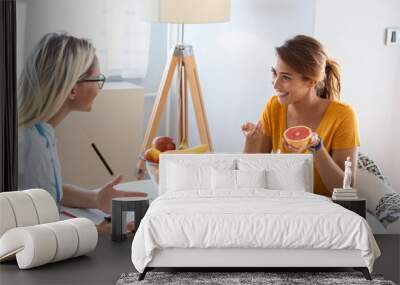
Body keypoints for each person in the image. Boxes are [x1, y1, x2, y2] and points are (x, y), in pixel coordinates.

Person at [18, 32, 147, 213]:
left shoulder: (41, 132)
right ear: (72, 89)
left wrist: (96, 198)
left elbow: (49, 192)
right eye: (97, 80)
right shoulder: (31, 145)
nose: (99, 88)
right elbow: (33, 224)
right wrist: (93, 231)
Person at [241, 35, 360, 197]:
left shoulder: (343, 116)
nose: (275, 84)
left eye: (286, 77)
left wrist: (317, 148)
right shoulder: (273, 107)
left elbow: (346, 188)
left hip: (323, 213)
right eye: (275, 74)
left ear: (311, 81)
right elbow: (250, 176)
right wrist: (251, 140)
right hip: (280, 206)